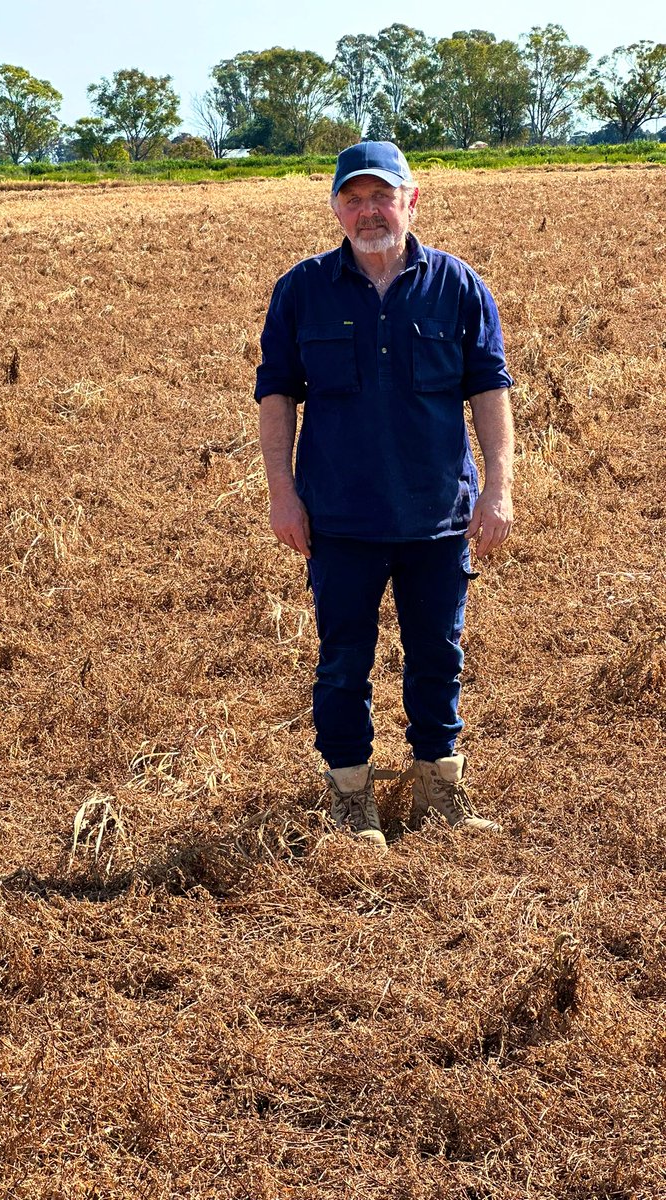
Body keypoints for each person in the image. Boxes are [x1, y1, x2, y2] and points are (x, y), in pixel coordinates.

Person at [255, 141, 514, 849]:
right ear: (336, 206)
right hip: (339, 518)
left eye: (382, 196)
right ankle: (350, 797)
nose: (368, 211)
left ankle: (440, 788)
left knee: (439, 655)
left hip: (437, 516)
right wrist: (283, 493)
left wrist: (498, 490)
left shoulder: (458, 286)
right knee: (344, 660)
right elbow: (276, 394)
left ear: (411, 200)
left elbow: (489, 390)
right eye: (353, 198)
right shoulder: (302, 290)